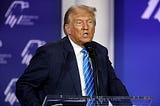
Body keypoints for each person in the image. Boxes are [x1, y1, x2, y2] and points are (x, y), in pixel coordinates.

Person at [16, 5, 130, 106]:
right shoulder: (50, 53)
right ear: (68, 29)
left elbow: (113, 84)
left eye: (90, 22)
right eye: (79, 22)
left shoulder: (100, 51)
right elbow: (24, 86)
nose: (86, 27)